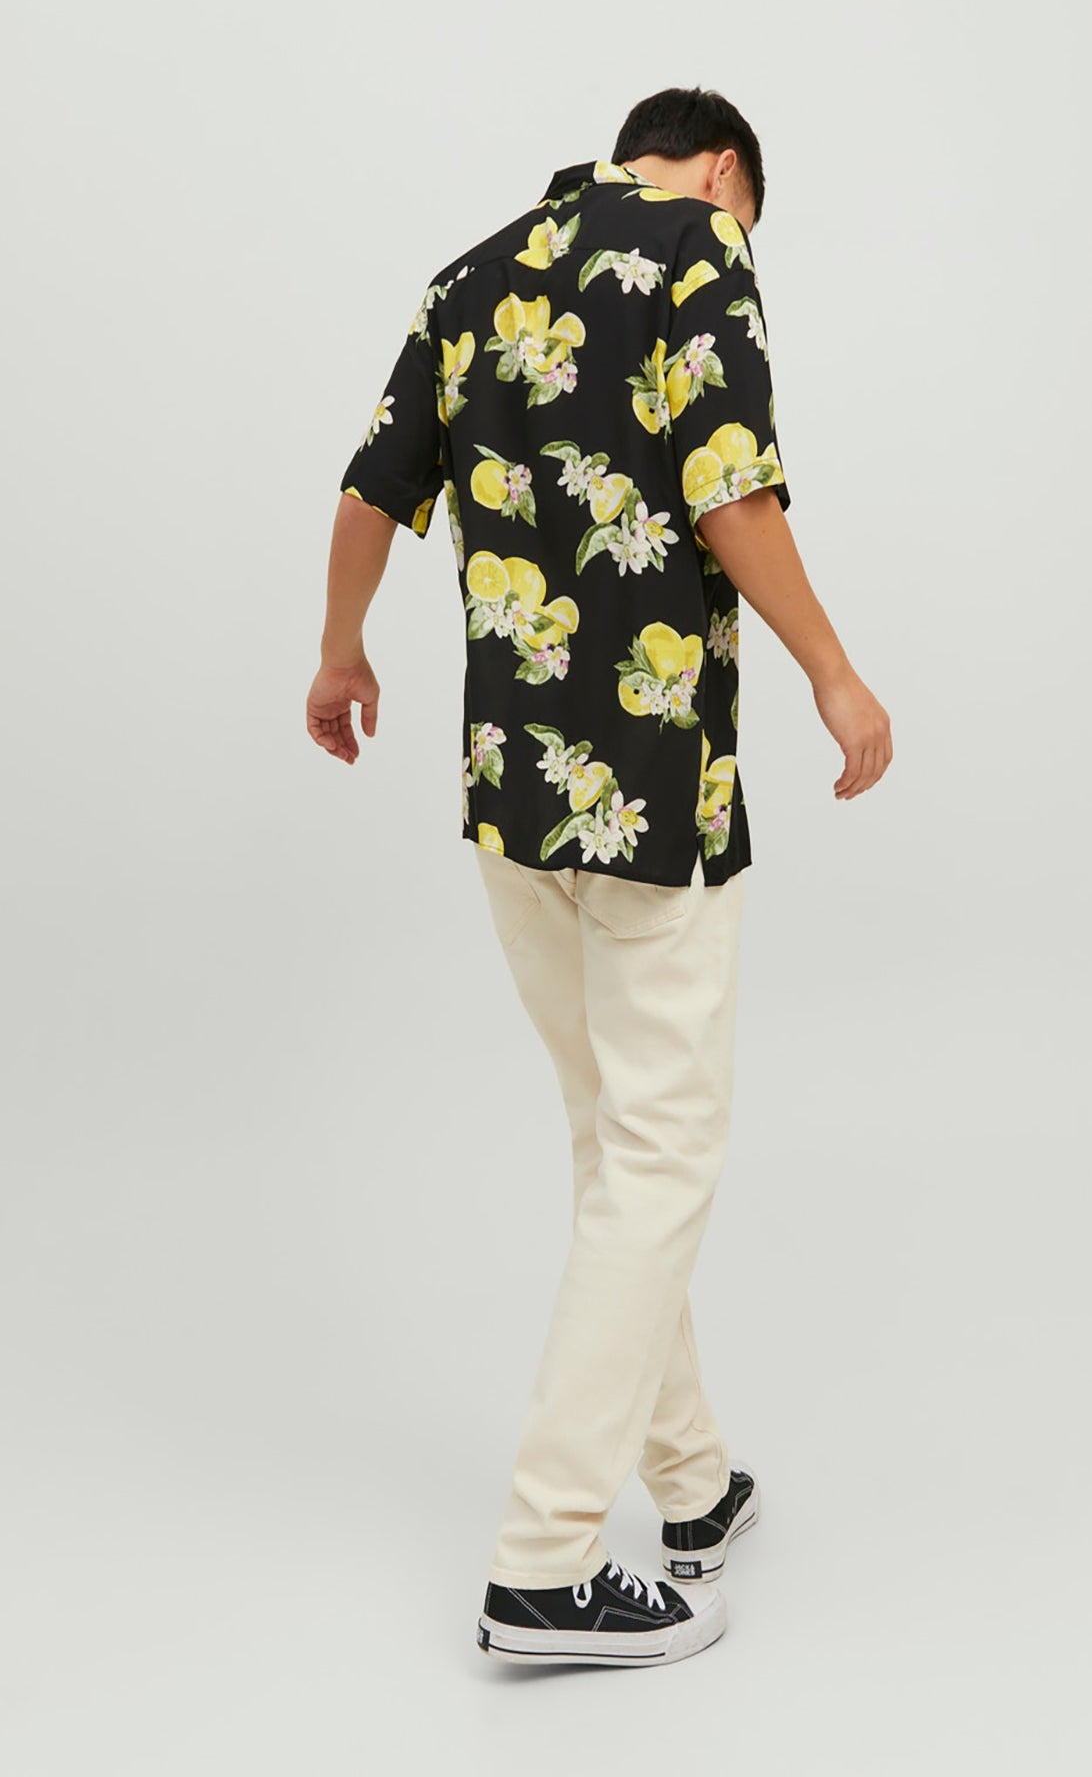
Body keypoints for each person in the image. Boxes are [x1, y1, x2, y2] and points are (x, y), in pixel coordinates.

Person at [308, 86, 892, 1668]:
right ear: (724, 171)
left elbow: (370, 490)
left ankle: (690, 1484)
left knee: (612, 1138)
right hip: (649, 792)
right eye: (746, 213)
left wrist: (340, 652)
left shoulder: (475, 270)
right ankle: (546, 1560)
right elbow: (729, 488)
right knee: (662, 1149)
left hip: (514, 793)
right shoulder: (702, 244)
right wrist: (837, 674)